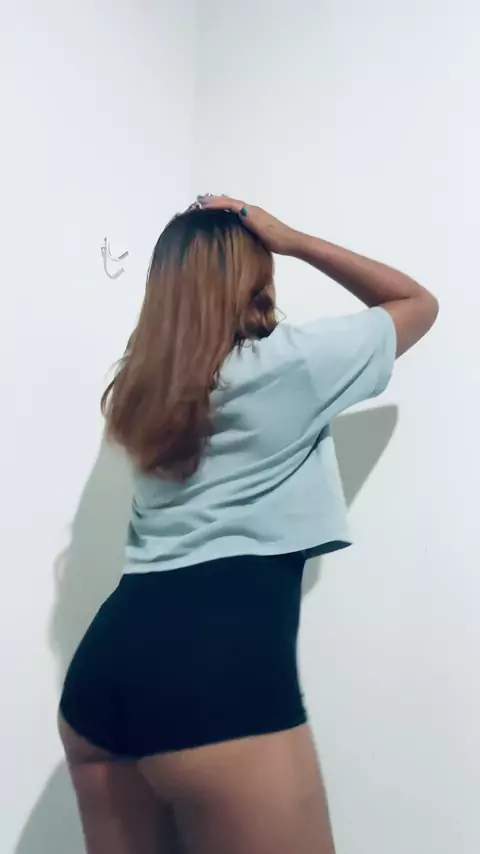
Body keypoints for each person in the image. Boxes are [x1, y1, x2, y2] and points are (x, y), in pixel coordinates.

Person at [58, 195, 438, 854]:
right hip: (217, 675)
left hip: (105, 673)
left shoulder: (144, 386)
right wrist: (291, 239)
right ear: (254, 276)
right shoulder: (290, 364)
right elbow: (416, 303)